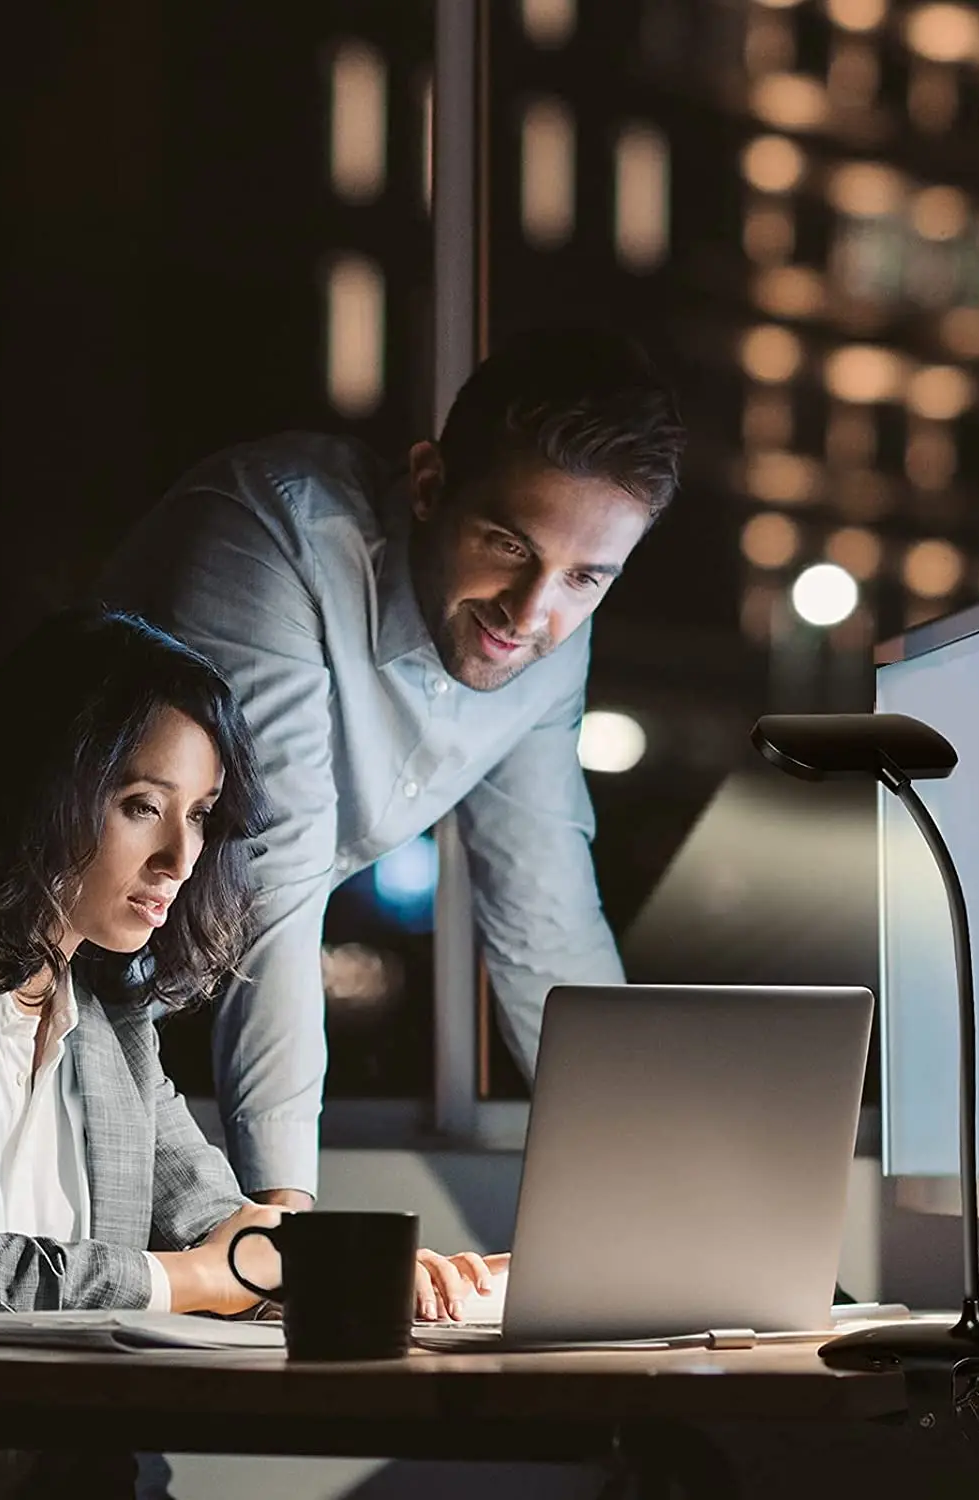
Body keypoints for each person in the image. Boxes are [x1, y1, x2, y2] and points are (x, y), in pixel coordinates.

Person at [0, 610, 500, 1357]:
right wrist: (195, 1281)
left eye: (202, 812)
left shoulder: (109, 1016)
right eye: (143, 806)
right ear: (41, 791)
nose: (182, 860)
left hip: (69, 1452)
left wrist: (362, 1270)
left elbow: (227, 1229)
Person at [96, 326, 688, 1208]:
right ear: (428, 485)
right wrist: (294, 1226)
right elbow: (277, 886)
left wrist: (670, 1204)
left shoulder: (547, 638)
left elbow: (547, 922)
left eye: (586, 580)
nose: (531, 613)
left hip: (126, 1004)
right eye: (512, 546)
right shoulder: (271, 534)